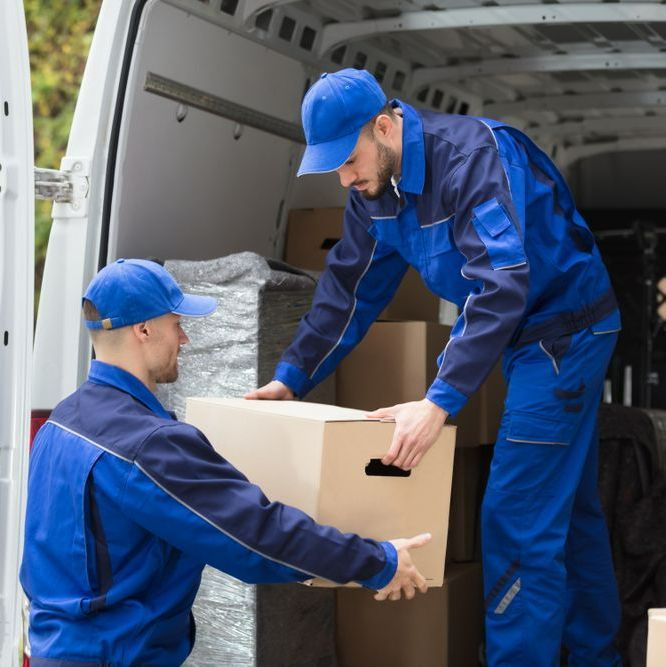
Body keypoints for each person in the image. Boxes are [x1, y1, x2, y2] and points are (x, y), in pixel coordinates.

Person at [246, 69, 623, 666]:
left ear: (386, 125)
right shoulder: (376, 194)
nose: (346, 179)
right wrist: (290, 378)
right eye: (334, 169)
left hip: (564, 333)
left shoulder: (471, 159)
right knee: (566, 512)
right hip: (524, 338)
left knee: (517, 516)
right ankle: (599, 658)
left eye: (349, 160)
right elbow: (349, 290)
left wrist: (438, 401)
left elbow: (501, 287)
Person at [20, 258, 430, 667]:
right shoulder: (149, 446)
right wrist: (378, 561)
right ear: (143, 330)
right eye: (175, 323)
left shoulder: (62, 422)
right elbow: (257, 537)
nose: (183, 338)